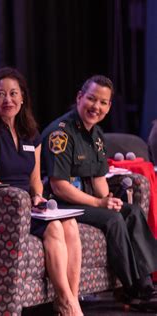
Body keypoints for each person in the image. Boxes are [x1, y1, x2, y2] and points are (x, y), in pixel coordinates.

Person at [0, 67, 83, 316]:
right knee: (54, 227)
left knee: (70, 224)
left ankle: (71, 299)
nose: (7, 100)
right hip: (5, 208)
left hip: (31, 206)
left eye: (13, 93)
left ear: (23, 98)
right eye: (0, 94)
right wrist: (23, 202)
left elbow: (35, 179)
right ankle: (65, 301)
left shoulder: (31, 134)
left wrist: (37, 196)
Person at [41, 75, 157, 312]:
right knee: (113, 219)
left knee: (131, 211)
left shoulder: (97, 136)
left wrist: (109, 200)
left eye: (103, 102)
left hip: (87, 202)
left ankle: (147, 283)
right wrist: (99, 202)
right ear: (79, 97)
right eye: (91, 99)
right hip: (61, 204)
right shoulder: (60, 133)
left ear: (109, 107)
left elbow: (98, 178)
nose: (96, 107)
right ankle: (132, 289)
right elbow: (59, 186)